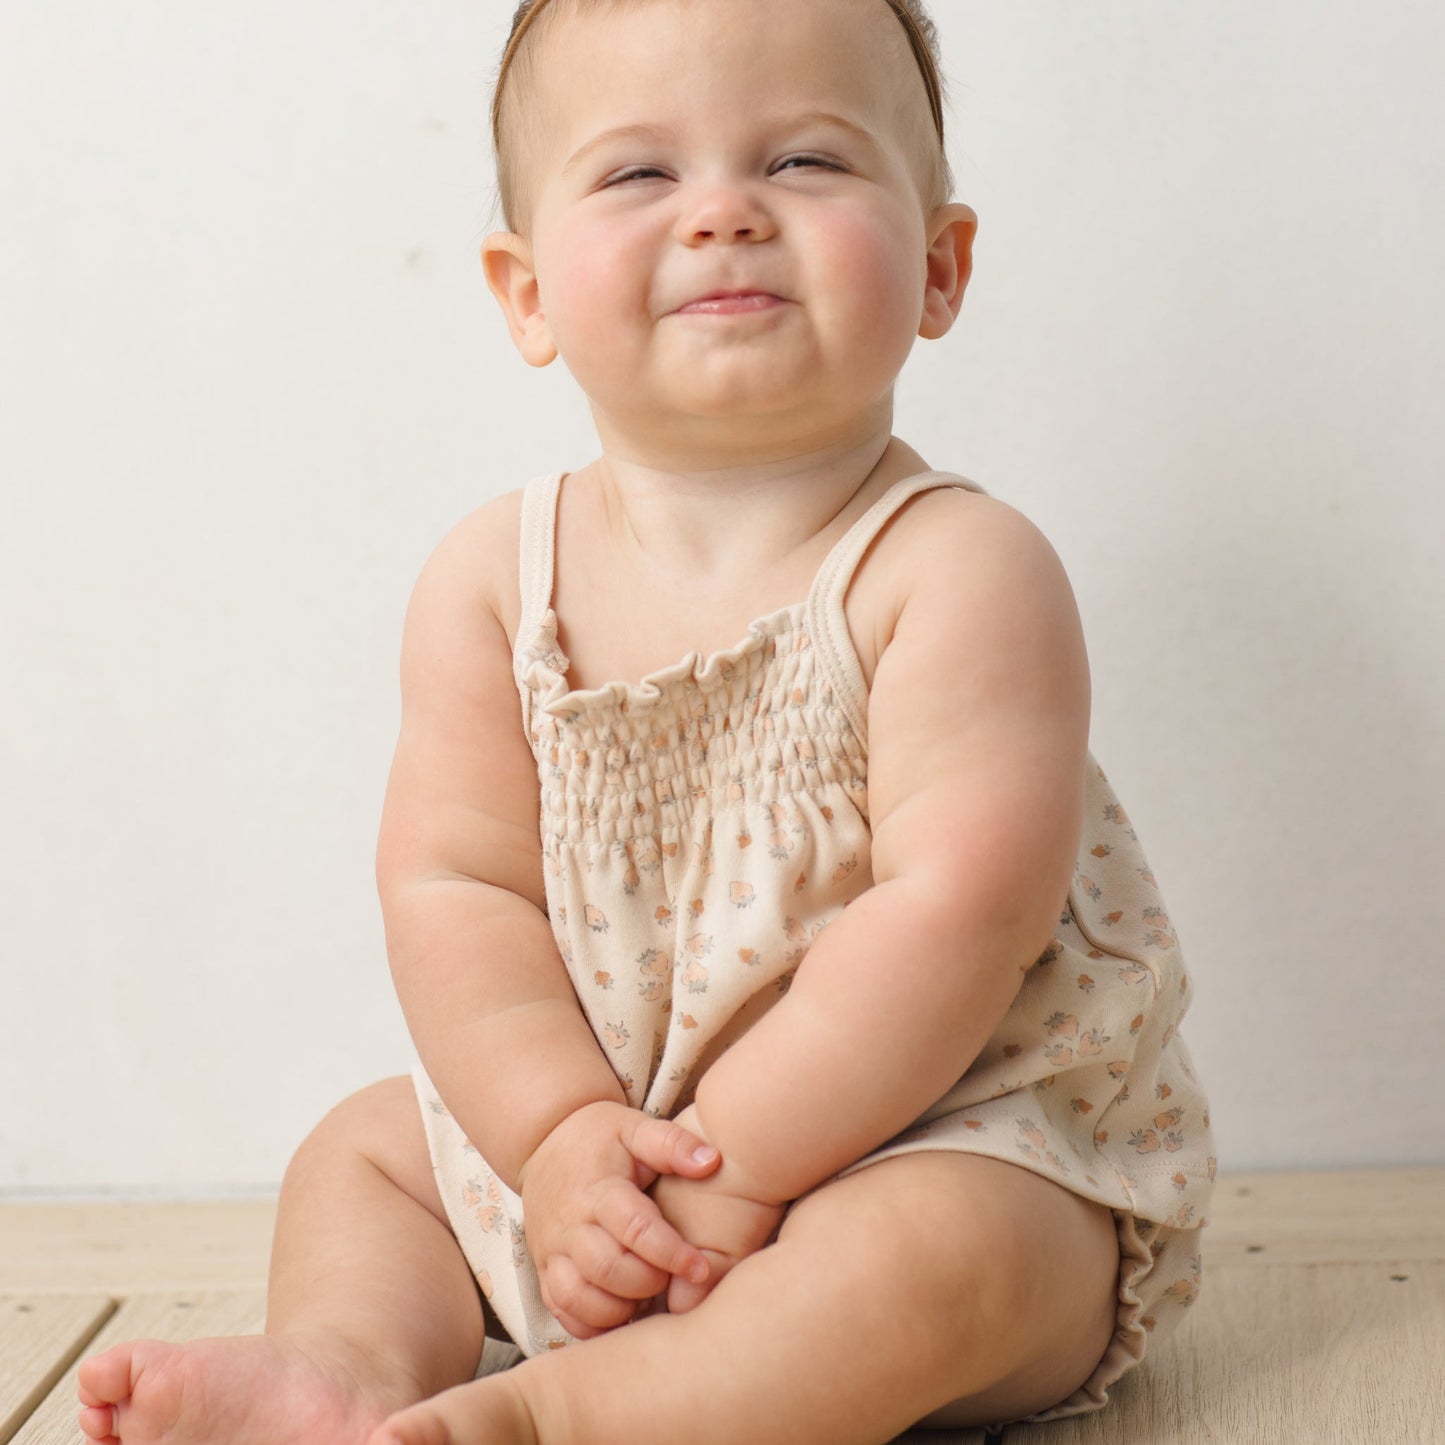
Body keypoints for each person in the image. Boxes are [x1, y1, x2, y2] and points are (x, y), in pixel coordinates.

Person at [78, 1, 1216, 1441]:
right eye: (637, 175)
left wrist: (736, 1166)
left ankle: (561, 1419)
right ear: (526, 291)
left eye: (803, 161)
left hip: (936, 1135)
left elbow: (954, 918)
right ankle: (346, 1363)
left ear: (938, 264)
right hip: (603, 1166)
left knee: (935, 1262)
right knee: (364, 1150)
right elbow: (454, 886)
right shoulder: (494, 584)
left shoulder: (955, 571)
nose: (726, 214)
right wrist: (555, 1141)